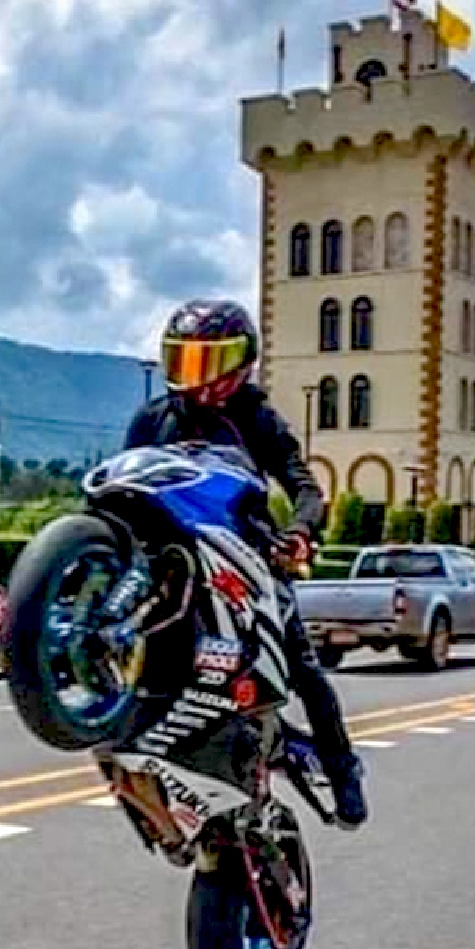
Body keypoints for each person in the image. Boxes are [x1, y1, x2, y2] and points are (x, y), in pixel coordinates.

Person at [123, 298, 366, 829]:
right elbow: (123, 490)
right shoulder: (151, 421)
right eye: (184, 360)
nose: (195, 376)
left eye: (208, 361)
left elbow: (304, 486)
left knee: (303, 666)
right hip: (171, 559)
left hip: (246, 560)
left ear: (241, 365)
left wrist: (300, 532)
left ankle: (343, 768)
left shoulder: (254, 419)